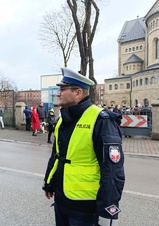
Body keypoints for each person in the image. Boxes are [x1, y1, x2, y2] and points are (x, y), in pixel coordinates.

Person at [42, 67, 125, 226]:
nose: (59, 93)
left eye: (63, 89)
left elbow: (113, 170)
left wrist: (108, 208)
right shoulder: (63, 119)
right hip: (62, 199)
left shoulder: (102, 120)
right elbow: (57, 156)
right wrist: (49, 182)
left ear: (78, 92)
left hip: (87, 207)